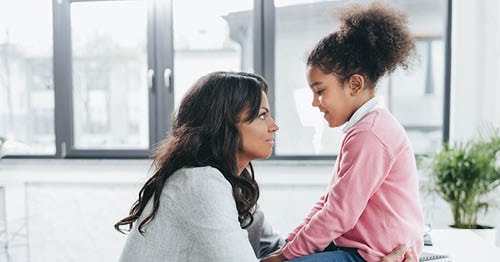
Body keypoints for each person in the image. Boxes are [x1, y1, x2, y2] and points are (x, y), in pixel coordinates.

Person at [114, 71, 417, 262]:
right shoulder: (199, 184)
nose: (274, 126)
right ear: (224, 125)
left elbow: (276, 249)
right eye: (261, 115)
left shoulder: (231, 182)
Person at [262, 1, 424, 262]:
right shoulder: (364, 128)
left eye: (320, 91)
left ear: (354, 84)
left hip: (370, 255)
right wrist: (290, 243)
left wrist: (285, 256)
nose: (315, 102)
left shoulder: (371, 134)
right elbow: (329, 201)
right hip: (357, 248)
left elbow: (338, 213)